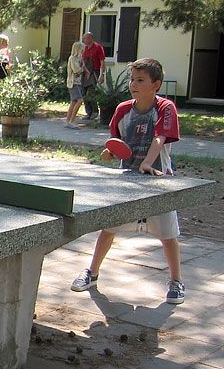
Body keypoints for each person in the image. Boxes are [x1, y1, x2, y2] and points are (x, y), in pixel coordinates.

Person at [71, 58, 185, 304]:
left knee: (168, 235)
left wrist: (147, 163)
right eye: (132, 79)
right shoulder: (123, 109)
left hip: (158, 182)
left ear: (156, 84)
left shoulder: (165, 108)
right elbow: (117, 144)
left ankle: (176, 281)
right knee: (108, 229)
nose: (133, 84)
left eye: (140, 80)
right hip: (127, 183)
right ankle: (92, 273)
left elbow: (160, 139)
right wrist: (109, 153)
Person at [81, 31, 106, 120]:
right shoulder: (84, 48)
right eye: (83, 38)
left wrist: (102, 74)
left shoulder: (98, 48)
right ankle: (88, 112)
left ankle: (95, 112)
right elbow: (82, 61)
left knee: (91, 92)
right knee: (84, 93)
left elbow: (102, 62)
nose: (83, 40)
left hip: (94, 72)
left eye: (85, 38)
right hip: (85, 72)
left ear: (90, 38)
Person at [65, 41, 87, 128]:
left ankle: (68, 121)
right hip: (73, 82)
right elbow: (77, 70)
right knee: (79, 100)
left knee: (73, 101)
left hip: (78, 82)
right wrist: (82, 68)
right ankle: (72, 120)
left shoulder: (79, 58)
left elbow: (83, 66)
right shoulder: (72, 58)